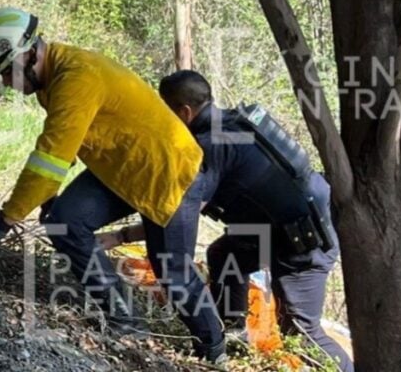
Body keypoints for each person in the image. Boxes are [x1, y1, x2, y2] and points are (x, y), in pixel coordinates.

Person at [0, 7, 226, 364]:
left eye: (4, 73)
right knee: (64, 220)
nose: (6, 84)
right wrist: (51, 196)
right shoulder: (56, 75)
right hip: (123, 167)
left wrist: (5, 220)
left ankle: (213, 350)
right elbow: (67, 143)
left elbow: (49, 158)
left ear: (27, 55)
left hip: (169, 171)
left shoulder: (76, 77)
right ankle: (124, 317)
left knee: (173, 273)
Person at [105, 70, 351, 371]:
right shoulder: (236, 120)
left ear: (184, 112)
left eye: (166, 112)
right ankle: (234, 333)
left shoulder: (209, 148)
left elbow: (178, 219)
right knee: (224, 254)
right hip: (285, 228)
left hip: (304, 244)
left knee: (302, 333)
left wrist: (121, 236)